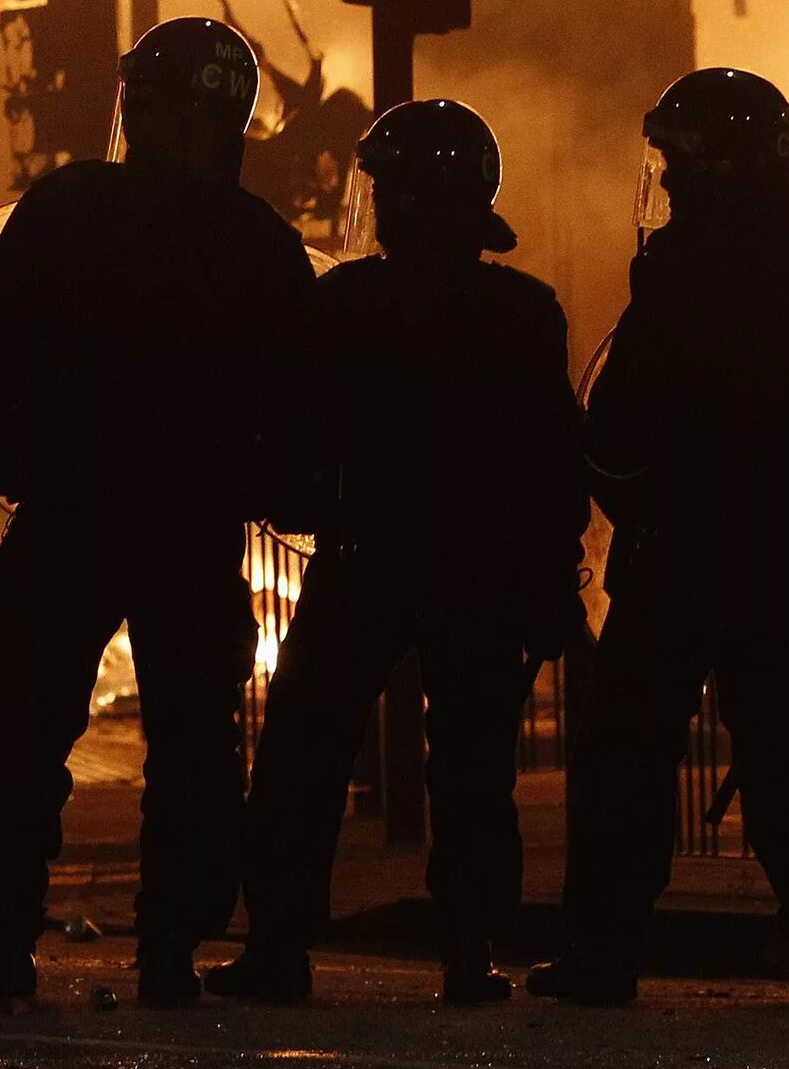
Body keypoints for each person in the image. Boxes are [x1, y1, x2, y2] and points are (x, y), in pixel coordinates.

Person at [0, 17, 315, 1005]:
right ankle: (171, 951)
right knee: (196, 748)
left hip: (70, 517)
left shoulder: (64, 208)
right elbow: (294, 405)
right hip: (193, 532)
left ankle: (3, 946)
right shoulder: (260, 243)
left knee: (21, 733)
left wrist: (6, 456)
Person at [206, 100, 587, 1007]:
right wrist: (545, 575)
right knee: (475, 767)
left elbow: (295, 435)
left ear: (403, 199)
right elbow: (552, 457)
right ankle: (467, 950)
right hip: (484, 570)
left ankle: (279, 946)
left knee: (305, 753)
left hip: (366, 558)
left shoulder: (346, 302)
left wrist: (287, 497)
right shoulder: (527, 312)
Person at [532, 68, 789, 1008]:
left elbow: (632, 415)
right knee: (783, 746)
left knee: (629, 750)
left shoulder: (687, 270)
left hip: (684, 546)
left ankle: (604, 948)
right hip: (779, 555)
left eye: (680, 162)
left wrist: (608, 468)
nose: (670, 181)